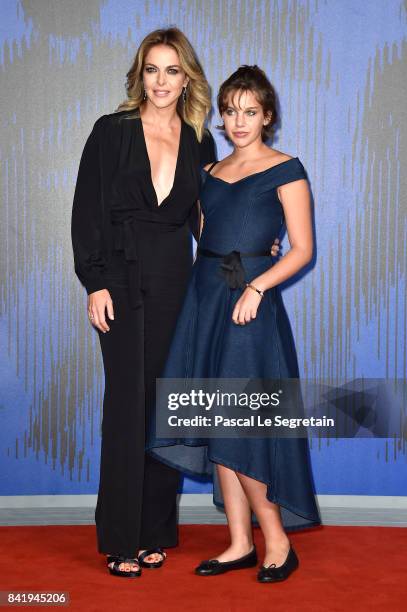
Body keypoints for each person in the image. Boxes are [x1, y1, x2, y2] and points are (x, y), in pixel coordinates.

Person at [71, 27, 283, 577]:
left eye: (171, 70)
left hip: (175, 281)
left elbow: (210, 220)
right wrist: (94, 282)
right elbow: (86, 212)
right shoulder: (111, 132)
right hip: (118, 278)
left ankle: (153, 533)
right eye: (151, 69)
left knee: (167, 401)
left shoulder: (199, 141)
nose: (161, 81)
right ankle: (121, 538)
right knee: (126, 405)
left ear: (185, 76)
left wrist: (253, 253)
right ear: (139, 74)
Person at [147, 65, 321, 583]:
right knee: (214, 417)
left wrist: (258, 284)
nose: (238, 120)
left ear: (267, 116)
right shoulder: (209, 174)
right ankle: (239, 542)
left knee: (242, 422)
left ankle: (278, 542)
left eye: (250, 111)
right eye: (230, 111)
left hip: (250, 305)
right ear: (221, 116)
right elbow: (207, 236)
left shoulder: (287, 168)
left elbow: (302, 250)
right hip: (205, 300)